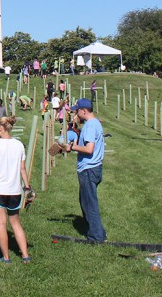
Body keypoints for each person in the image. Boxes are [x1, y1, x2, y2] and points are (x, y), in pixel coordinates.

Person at [0, 115, 33, 263]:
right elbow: (23, 169)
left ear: (1, 128)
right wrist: (27, 188)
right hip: (15, 191)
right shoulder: (19, 145)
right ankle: (25, 255)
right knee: (15, 223)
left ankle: (6, 257)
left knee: (1, 223)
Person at [65, 99, 106, 242]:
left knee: (89, 204)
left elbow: (89, 149)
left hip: (89, 169)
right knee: (86, 201)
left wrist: (73, 147)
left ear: (84, 111)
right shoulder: (95, 123)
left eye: (77, 110)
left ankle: (96, 237)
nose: (76, 113)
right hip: (94, 167)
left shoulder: (90, 125)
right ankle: (97, 232)